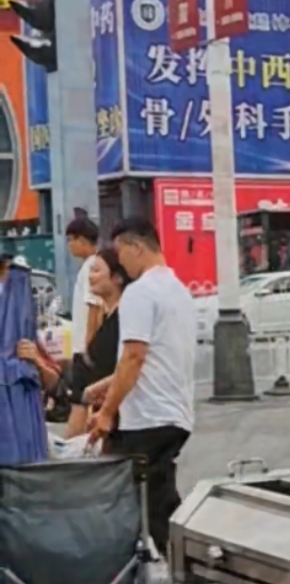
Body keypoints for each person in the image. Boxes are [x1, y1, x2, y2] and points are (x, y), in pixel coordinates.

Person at [86, 217, 196, 555]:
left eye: (121, 252)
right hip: (174, 412)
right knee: (156, 500)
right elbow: (154, 357)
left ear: (136, 247)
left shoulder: (140, 292)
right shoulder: (179, 291)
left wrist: (107, 412)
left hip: (147, 417)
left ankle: (189, 575)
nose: (121, 262)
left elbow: (134, 356)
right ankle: (180, 569)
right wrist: (106, 386)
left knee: (147, 505)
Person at [67, 246, 127, 437]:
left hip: (120, 418)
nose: (91, 276)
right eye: (91, 271)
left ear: (117, 278)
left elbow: (129, 366)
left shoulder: (123, 318)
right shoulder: (109, 316)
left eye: (97, 271)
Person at [65, 209, 102, 360]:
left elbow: (94, 307)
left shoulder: (92, 266)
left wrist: (88, 347)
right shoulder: (94, 263)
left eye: (70, 240)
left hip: (84, 349)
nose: (69, 245)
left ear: (82, 240)